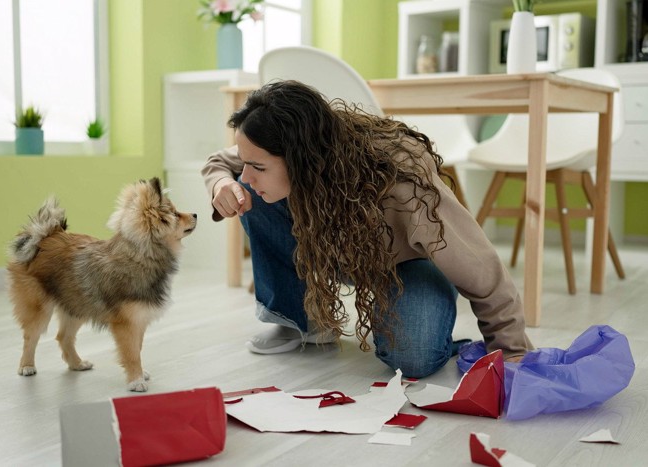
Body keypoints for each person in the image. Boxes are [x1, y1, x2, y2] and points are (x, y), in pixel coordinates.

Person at [202, 80, 532, 378]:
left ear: (303, 159)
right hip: (336, 250)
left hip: (406, 264)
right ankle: (300, 320)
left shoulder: (404, 182)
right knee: (246, 191)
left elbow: (481, 268)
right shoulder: (272, 146)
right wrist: (220, 186)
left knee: (413, 358)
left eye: (257, 166)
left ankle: (423, 312)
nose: (246, 174)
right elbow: (221, 163)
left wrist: (511, 349)